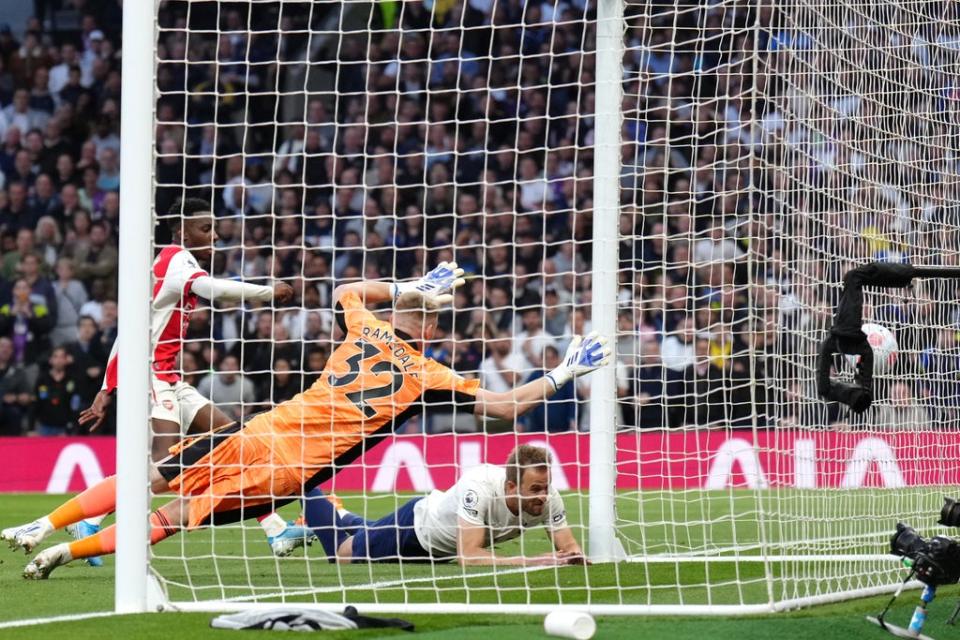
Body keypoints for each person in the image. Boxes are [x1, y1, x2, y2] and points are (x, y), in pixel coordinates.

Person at [4, 264, 610, 578]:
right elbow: (508, 408)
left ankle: (46, 527)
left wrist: (408, 285)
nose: (440, 332)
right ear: (428, 329)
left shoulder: (365, 323)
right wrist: (564, 372)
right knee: (175, 516)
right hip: (290, 470)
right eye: (438, 324)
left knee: (154, 475)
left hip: (261, 428)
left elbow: (350, 288)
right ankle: (67, 551)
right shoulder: (427, 374)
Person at [68, 197, 301, 561]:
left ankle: (276, 531)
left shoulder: (171, 263)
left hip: (171, 379)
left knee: (234, 442)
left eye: (216, 232)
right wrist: (267, 293)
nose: (214, 239)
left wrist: (105, 388)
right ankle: (91, 520)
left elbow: (126, 330)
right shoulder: (177, 258)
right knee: (166, 468)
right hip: (152, 376)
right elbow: (213, 290)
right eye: (206, 230)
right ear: (183, 231)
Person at [305, 444, 586, 566]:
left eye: (546, 487)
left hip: (440, 549)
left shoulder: (548, 498)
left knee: (365, 532)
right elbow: (470, 556)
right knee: (342, 553)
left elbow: (569, 547)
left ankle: (340, 512)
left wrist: (575, 555)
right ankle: (302, 484)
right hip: (414, 532)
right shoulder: (480, 488)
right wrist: (534, 561)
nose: (543, 496)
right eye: (535, 489)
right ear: (511, 486)